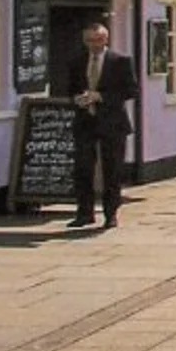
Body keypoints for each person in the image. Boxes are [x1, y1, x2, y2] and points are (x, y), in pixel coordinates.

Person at [67, 22, 136, 229]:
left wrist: (101, 96)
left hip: (113, 123)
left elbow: (131, 91)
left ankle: (110, 213)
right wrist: (76, 98)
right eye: (89, 40)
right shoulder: (77, 61)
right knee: (83, 168)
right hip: (85, 121)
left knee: (112, 170)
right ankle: (84, 213)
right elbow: (70, 88)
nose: (94, 45)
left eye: (98, 40)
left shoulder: (120, 61)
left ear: (106, 39)